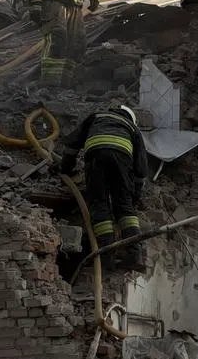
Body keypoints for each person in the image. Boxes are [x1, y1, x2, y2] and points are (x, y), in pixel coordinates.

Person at [61, 105, 148, 271]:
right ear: (130, 117)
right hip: (122, 159)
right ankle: (134, 254)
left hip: (96, 155)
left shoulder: (96, 116)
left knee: (99, 203)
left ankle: (106, 256)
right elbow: (141, 169)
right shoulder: (132, 128)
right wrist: (134, 196)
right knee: (124, 206)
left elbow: (72, 145)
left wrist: (65, 168)